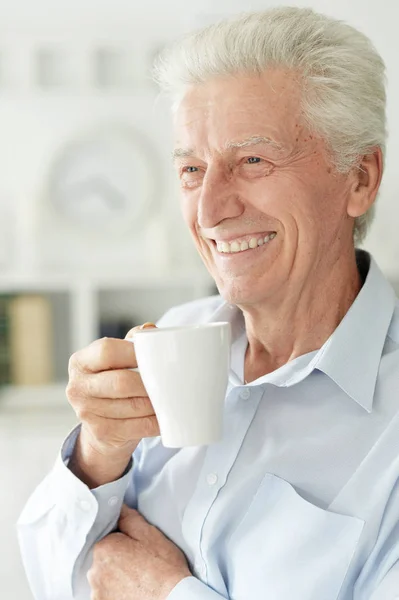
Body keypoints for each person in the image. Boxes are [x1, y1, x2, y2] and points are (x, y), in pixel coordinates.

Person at [17, 7, 399, 600]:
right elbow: (50, 582)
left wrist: (165, 592)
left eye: (253, 161)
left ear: (360, 178)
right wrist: (99, 455)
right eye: (193, 169)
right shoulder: (171, 339)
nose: (210, 210)